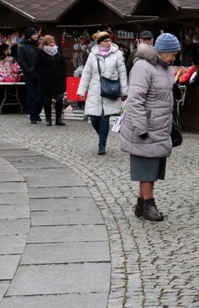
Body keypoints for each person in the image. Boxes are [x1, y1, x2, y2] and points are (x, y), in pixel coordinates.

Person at [119, 33, 181, 222]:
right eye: (173, 54)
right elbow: (135, 100)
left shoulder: (164, 68)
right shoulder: (143, 67)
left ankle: (141, 204)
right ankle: (148, 205)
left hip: (159, 125)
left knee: (152, 167)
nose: (175, 58)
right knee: (146, 167)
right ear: (163, 52)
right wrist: (141, 127)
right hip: (146, 126)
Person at [77, 31, 128, 155]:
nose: (108, 43)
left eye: (109, 40)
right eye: (105, 41)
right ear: (100, 43)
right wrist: (81, 90)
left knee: (105, 118)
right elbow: (87, 73)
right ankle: (102, 135)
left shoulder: (117, 54)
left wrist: (124, 91)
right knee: (94, 118)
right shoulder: (92, 55)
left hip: (110, 90)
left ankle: (102, 145)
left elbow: (122, 73)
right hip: (95, 90)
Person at [35, 35, 67, 126]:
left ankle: (58, 119)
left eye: (53, 41)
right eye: (50, 41)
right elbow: (37, 66)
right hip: (46, 80)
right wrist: (42, 76)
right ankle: (48, 119)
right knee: (47, 100)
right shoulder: (41, 52)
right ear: (45, 43)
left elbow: (63, 63)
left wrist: (63, 74)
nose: (52, 43)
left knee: (59, 98)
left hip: (58, 79)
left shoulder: (57, 51)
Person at [17, 27, 43, 124]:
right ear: (29, 36)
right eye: (34, 34)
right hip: (30, 76)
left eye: (36, 34)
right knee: (32, 96)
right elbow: (21, 61)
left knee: (42, 96)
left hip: (40, 75)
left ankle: (37, 113)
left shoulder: (38, 46)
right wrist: (28, 70)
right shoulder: (22, 48)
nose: (36, 36)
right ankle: (33, 116)